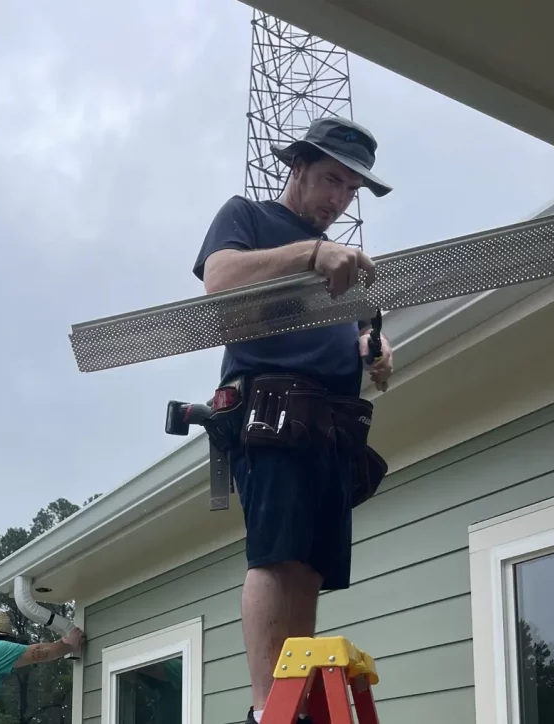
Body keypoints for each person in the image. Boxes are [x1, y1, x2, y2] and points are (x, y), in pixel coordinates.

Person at [192, 116, 395, 724]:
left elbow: (361, 331)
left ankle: (297, 702)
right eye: (331, 179)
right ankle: (266, 710)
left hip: (333, 421)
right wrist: (311, 253)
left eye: (351, 190)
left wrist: (373, 348)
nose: (339, 199)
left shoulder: (345, 264)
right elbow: (217, 279)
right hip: (272, 406)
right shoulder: (248, 218)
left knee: (308, 566)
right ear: (297, 166)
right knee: (275, 556)